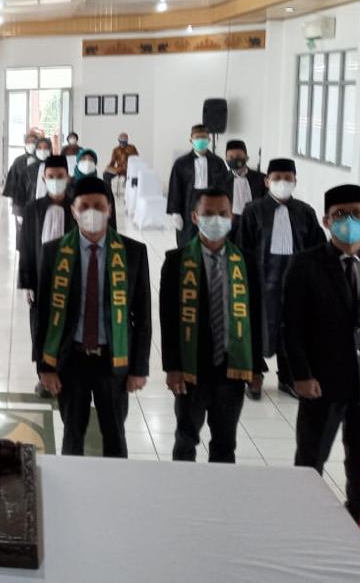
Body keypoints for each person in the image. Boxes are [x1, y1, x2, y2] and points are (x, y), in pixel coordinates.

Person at [283, 184, 360, 523]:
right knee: (310, 462)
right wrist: (301, 375)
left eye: (357, 214)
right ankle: (301, 522)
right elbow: (291, 325)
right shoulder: (304, 265)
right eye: (341, 214)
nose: (350, 221)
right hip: (321, 383)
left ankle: (358, 524)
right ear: (327, 221)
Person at [36, 177, 151, 457]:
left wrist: (139, 368)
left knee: (115, 434)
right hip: (71, 359)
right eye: (84, 206)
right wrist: (44, 367)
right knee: (72, 433)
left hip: (113, 359)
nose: (92, 212)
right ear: (73, 211)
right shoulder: (53, 252)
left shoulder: (133, 252)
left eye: (98, 206)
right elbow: (42, 315)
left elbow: (143, 315)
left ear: (109, 209)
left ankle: (115, 481)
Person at [160, 188, 265, 463]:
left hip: (232, 367)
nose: (216, 219)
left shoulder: (246, 262)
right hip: (191, 368)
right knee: (186, 439)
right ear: (195, 217)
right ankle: (184, 487)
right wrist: (172, 367)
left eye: (223, 214)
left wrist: (256, 366)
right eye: (208, 213)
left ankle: (220, 489)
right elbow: (168, 319)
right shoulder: (176, 261)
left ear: (232, 217)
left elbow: (256, 315)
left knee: (225, 443)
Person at [236, 158, 325, 398]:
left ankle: (288, 377)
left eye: (288, 178)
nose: (282, 183)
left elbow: (317, 248)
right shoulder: (253, 210)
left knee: (292, 329)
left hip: (295, 283)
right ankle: (254, 376)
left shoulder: (305, 212)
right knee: (256, 327)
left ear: (295, 181)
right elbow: (243, 248)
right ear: (267, 181)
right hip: (261, 281)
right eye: (277, 178)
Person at [18, 156, 75, 396]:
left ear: (68, 177)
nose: (55, 180)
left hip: (70, 279)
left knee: (68, 327)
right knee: (41, 328)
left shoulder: (76, 207)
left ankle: (66, 374)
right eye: (51, 177)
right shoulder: (33, 209)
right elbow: (26, 247)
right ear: (44, 177)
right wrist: (27, 283)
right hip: (41, 279)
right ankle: (44, 376)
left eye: (60, 176)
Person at [166, 124, 229, 247]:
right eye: (197, 137)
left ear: (209, 140)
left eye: (203, 137)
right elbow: (175, 187)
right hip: (187, 207)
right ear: (191, 140)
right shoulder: (181, 163)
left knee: (210, 240)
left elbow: (225, 187)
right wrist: (175, 212)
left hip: (211, 206)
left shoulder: (218, 162)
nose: (201, 140)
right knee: (187, 241)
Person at [219, 140, 266, 234]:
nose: (235, 159)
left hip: (255, 225)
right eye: (231, 157)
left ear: (246, 157)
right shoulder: (220, 180)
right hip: (229, 226)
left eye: (239, 156)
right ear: (226, 159)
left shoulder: (261, 179)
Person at [4, 132, 40, 249]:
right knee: (21, 229)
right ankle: (22, 250)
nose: (31, 144)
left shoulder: (43, 161)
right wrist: (13, 201)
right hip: (21, 201)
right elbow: (12, 181)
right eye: (28, 142)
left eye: (33, 142)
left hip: (37, 200)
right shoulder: (18, 161)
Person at [72, 148, 117, 229]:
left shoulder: (104, 187)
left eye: (91, 160)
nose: (87, 162)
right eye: (83, 159)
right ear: (78, 162)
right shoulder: (69, 186)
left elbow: (111, 217)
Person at [20, 136, 55, 207]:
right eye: (39, 148)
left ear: (50, 149)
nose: (43, 151)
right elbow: (22, 192)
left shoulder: (57, 167)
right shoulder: (28, 170)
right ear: (35, 150)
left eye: (46, 148)